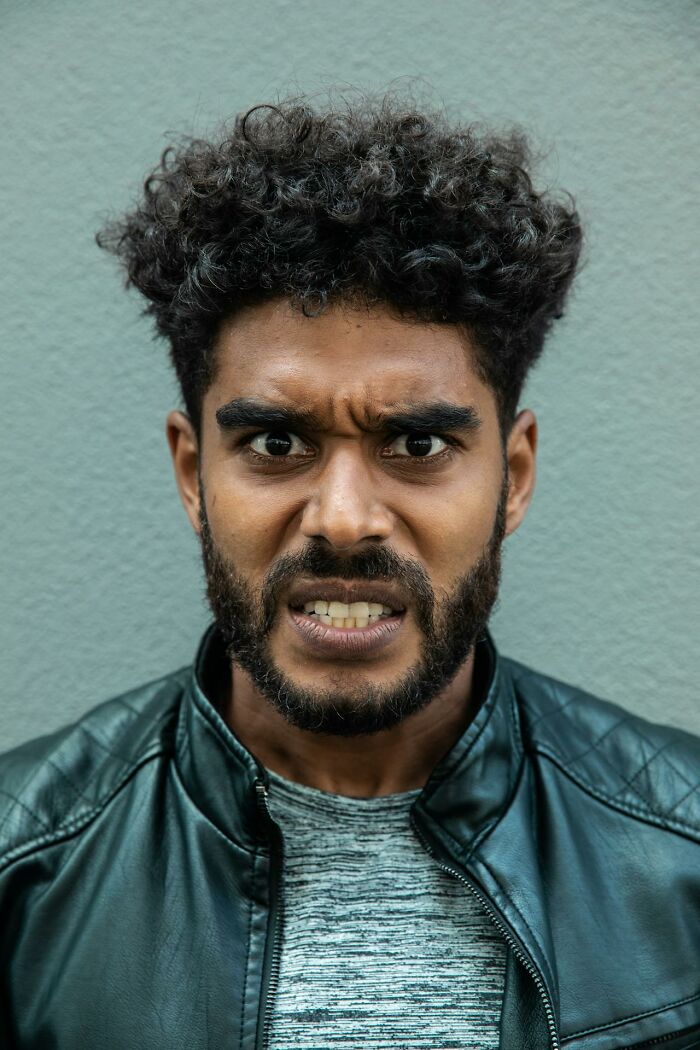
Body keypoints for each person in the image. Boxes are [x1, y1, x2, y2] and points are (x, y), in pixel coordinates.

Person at [1, 93, 698, 1050]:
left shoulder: (680, 856)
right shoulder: (22, 869)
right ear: (193, 474)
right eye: (275, 442)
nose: (342, 519)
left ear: (515, 476)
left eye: (417, 444)